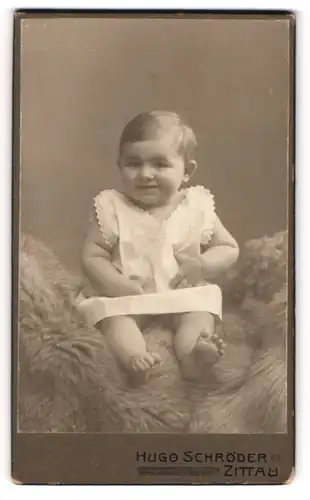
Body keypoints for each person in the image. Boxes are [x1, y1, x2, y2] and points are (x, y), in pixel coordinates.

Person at [77, 110, 239, 383]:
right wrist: (115, 283)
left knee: (198, 312)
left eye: (160, 164)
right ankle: (134, 357)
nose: (145, 174)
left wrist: (203, 265)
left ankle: (193, 355)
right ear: (119, 166)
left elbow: (228, 247)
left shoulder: (196, 206)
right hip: (128, 296)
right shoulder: (112, 207)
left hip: (181, 294)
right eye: (133, 164)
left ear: (186, 171)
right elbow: (93, 255)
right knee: (115, 319)